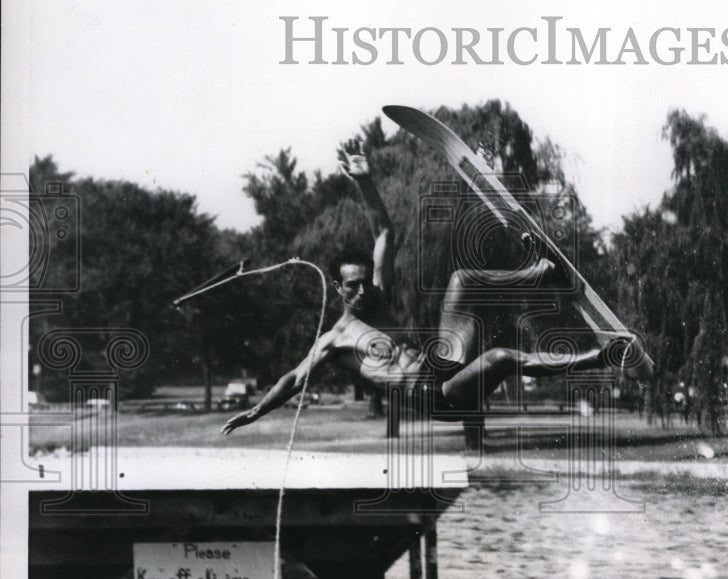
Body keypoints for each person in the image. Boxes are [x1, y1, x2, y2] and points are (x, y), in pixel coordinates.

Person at [221, 140, 607, 436]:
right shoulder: (334, 340)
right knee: (501, 358)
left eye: (364, 283)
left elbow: (384, 232)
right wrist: (257, 410)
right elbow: (293, 378)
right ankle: (598, 358)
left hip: (444, 365)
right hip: (440, 400)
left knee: (462, 281)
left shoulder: (377, 296)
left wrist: (365, 181)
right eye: (352, 287)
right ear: (338, 288)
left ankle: (542, 276)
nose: (362, 292)